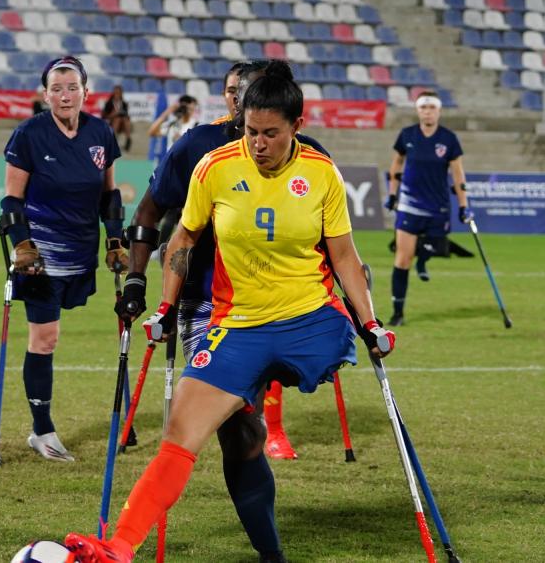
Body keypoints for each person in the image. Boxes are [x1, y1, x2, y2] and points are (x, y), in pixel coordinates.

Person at [67, 69, 396, 562]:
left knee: (255, 413)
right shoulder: (213, 165)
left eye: (271, 134)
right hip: (236, 324)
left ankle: (269, 405)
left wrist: (369, 321)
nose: (258, 144)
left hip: (311, 320)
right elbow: (183, 239)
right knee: (185, 427)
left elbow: (344, 255)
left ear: (296, 126)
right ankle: (119, 546)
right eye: (251, 132)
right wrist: (162, 304)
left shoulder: (321, 171)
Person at [113, 60, 328, 562]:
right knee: (238, 431)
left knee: (244, 433)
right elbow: (148, 212)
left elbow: (326, 232)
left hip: (273, 308)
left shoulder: (307, 156)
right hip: (204, 302)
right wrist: (140, 280)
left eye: (245, 92)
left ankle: (269, 549)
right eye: (230, 92)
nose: (237, 101)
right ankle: (267, 550)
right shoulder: (195, 147)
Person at [1, 55, 128, 462]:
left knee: (55, 333)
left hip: (80, 251)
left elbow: (110, 195)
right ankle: (42, 430)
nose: (65, 95)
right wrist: (23, 245)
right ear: (45, 95)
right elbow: (11, 200)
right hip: (38, 255)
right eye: (56, 88)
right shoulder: (28, 134)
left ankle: (66, 426)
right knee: (45, 337)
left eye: (72, 87)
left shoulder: (101, 132)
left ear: (86, 92)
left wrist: (115, 240)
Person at [385, 90, 470, 326]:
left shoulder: (449, 139)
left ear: (439, 111)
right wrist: (392, 194)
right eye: (423, 107)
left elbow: (457, 173)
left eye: (432, 108)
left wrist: (464, 205)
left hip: (438, 206)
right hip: (410, 205)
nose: (427, 112)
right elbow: (396, 164)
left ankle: (423, 259)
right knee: (402, 259)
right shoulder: (407, 135)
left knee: (435, 246)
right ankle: (397, 312)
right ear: (418, 111)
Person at [148, 94, 199, 161]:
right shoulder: (172, 124)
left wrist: (183, 141)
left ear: (193, 108)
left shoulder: (197, 126)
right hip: (171, 163)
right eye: (183, 104)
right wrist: (166, 113)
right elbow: (152, 132)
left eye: (188, 105)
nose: (185, 107)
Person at [102, 85, 133, 152]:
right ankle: (113, 141)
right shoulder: (109, 103)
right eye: (116, 93)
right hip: (112, 122)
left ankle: (128, 139)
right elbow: (104, 116)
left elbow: (126, 115)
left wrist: (125, 114)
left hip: (123, 123)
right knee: (117, 119)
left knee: (125, 119)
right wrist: (113, 114)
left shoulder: (124, 103)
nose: (117, 95)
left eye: (119, 93)